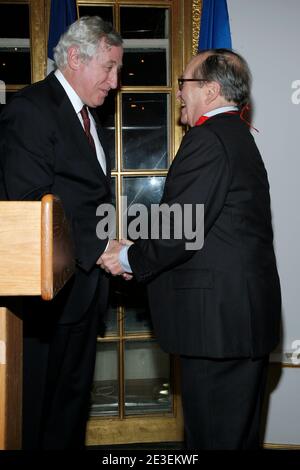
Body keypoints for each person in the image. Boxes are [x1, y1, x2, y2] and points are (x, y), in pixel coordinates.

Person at [99, 49, 281, 450]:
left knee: (214, 438)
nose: (179, 93)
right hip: (237, 321)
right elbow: (209, 224)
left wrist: (127, 256)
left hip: (217, 326)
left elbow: (181, 228)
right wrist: (139, 242)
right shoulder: (236, 136)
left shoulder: (209, 139)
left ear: (211, 90)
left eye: (184, 83)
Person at [0, 16, 123, 449]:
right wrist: (103, 246)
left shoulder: (90, 119)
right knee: (35, 417)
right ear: (75, 57)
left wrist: (114, 242)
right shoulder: (30, 109)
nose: (114, 81)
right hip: (45, 303)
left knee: (70, 414)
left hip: (87, 293)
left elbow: (89, 199)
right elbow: (34, 203)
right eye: (108, 68)